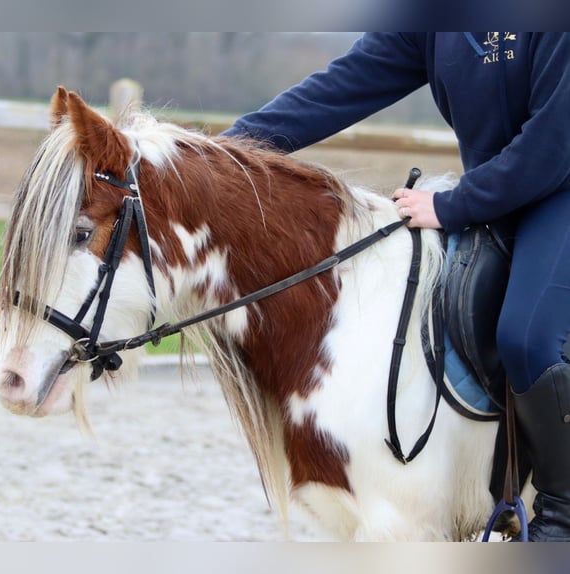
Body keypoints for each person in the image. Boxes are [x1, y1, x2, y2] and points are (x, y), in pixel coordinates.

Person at [223, 32, 570, 542]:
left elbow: (554, 143)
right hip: (499, 189)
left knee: (527, 335)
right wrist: (218, 153)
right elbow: (341, 88)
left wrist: (455, 205)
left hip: (559, 181)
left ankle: (561, 517)